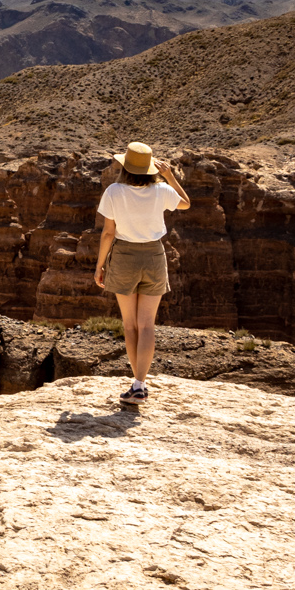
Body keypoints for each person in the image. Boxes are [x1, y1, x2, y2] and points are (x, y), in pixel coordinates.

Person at [91, 141, 190, 403]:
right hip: (154, 256)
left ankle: (136, 386)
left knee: (130, 324)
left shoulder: (114, 191)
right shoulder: (161, 189)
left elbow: (108, 233)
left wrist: (99, 265)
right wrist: (169, 175)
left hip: (124, 256)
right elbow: (185, 204)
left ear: (125, 167)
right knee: (147, 324)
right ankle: (139, 385)